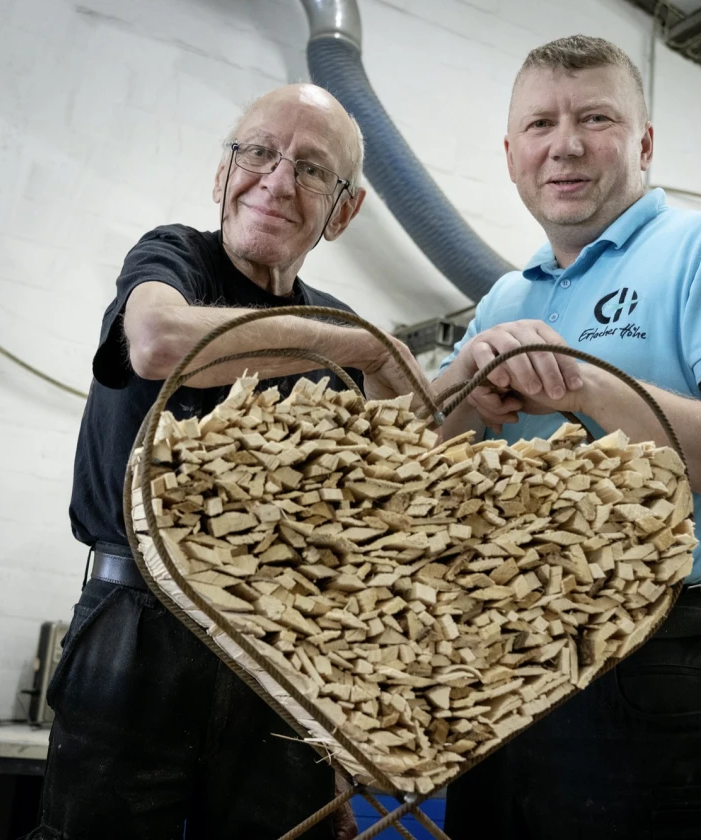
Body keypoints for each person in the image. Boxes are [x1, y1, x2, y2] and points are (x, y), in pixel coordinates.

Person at [434, 36, 701, 839]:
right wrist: (460, 388)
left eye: (595, 118)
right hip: (494, 668)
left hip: (647, 662)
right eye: (540, 124)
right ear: (510, 156)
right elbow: (418, 469)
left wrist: (588, 383)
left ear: (644, 143)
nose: (565, 145)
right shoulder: (504, 298)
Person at [32, 83, 428, 840]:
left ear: (344, 211)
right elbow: (158, 345)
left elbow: (379, 513)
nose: (277, 181)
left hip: (281, 649)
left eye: (312, 169)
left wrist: (340, 737)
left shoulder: (342, 333)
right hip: (137, 627)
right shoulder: (174, 260)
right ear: (223, 173)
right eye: (259, 153)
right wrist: (349, 346)